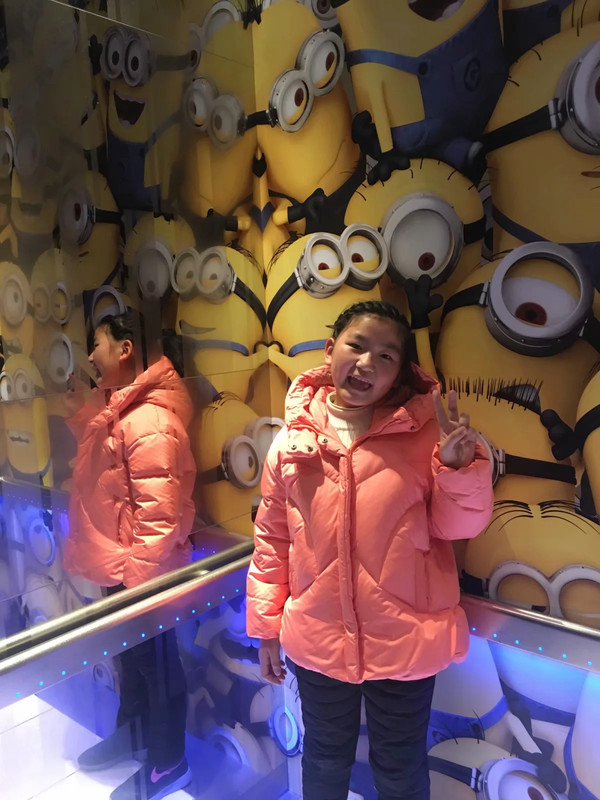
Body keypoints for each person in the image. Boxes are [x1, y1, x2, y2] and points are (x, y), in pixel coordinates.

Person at [246, 300, 494, 800]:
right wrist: (266, 628)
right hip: (317, 633)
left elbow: (460, 526)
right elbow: (272, 539)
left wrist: (457, 469)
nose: (366, 363)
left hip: (405, 636)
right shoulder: (290, 441)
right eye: (356, 346)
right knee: (323, 760)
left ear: (399, 373)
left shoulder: (428, 435)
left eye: (385, 356)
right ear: (329, 350)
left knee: (400, 770)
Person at [64, 312, 197, 800]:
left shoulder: (150, 420)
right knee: (134, 662)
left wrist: (138, 584)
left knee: (157, 667)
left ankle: (170, 762)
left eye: (96, 344)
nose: (90, 356)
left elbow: (160, 516)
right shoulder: (124, 411)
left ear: (124, 349)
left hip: (139, 574)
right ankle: (135, 735)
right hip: (121, 568)